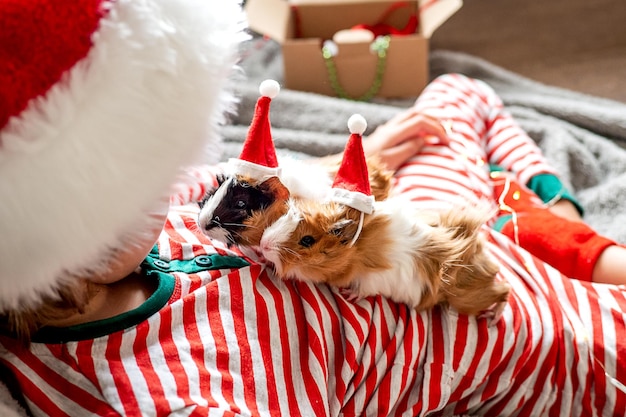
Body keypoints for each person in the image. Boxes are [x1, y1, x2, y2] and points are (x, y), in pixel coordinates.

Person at [1, 3, 625, 415]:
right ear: (75, 228)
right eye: (148, 181)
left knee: (454, 101)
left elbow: (212, 179)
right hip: (501, 330)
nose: (171, 184)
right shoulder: (180, 391)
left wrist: (342, 164)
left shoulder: (121, 232)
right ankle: (556, 234)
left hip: (401, 228)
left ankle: (551, 212)